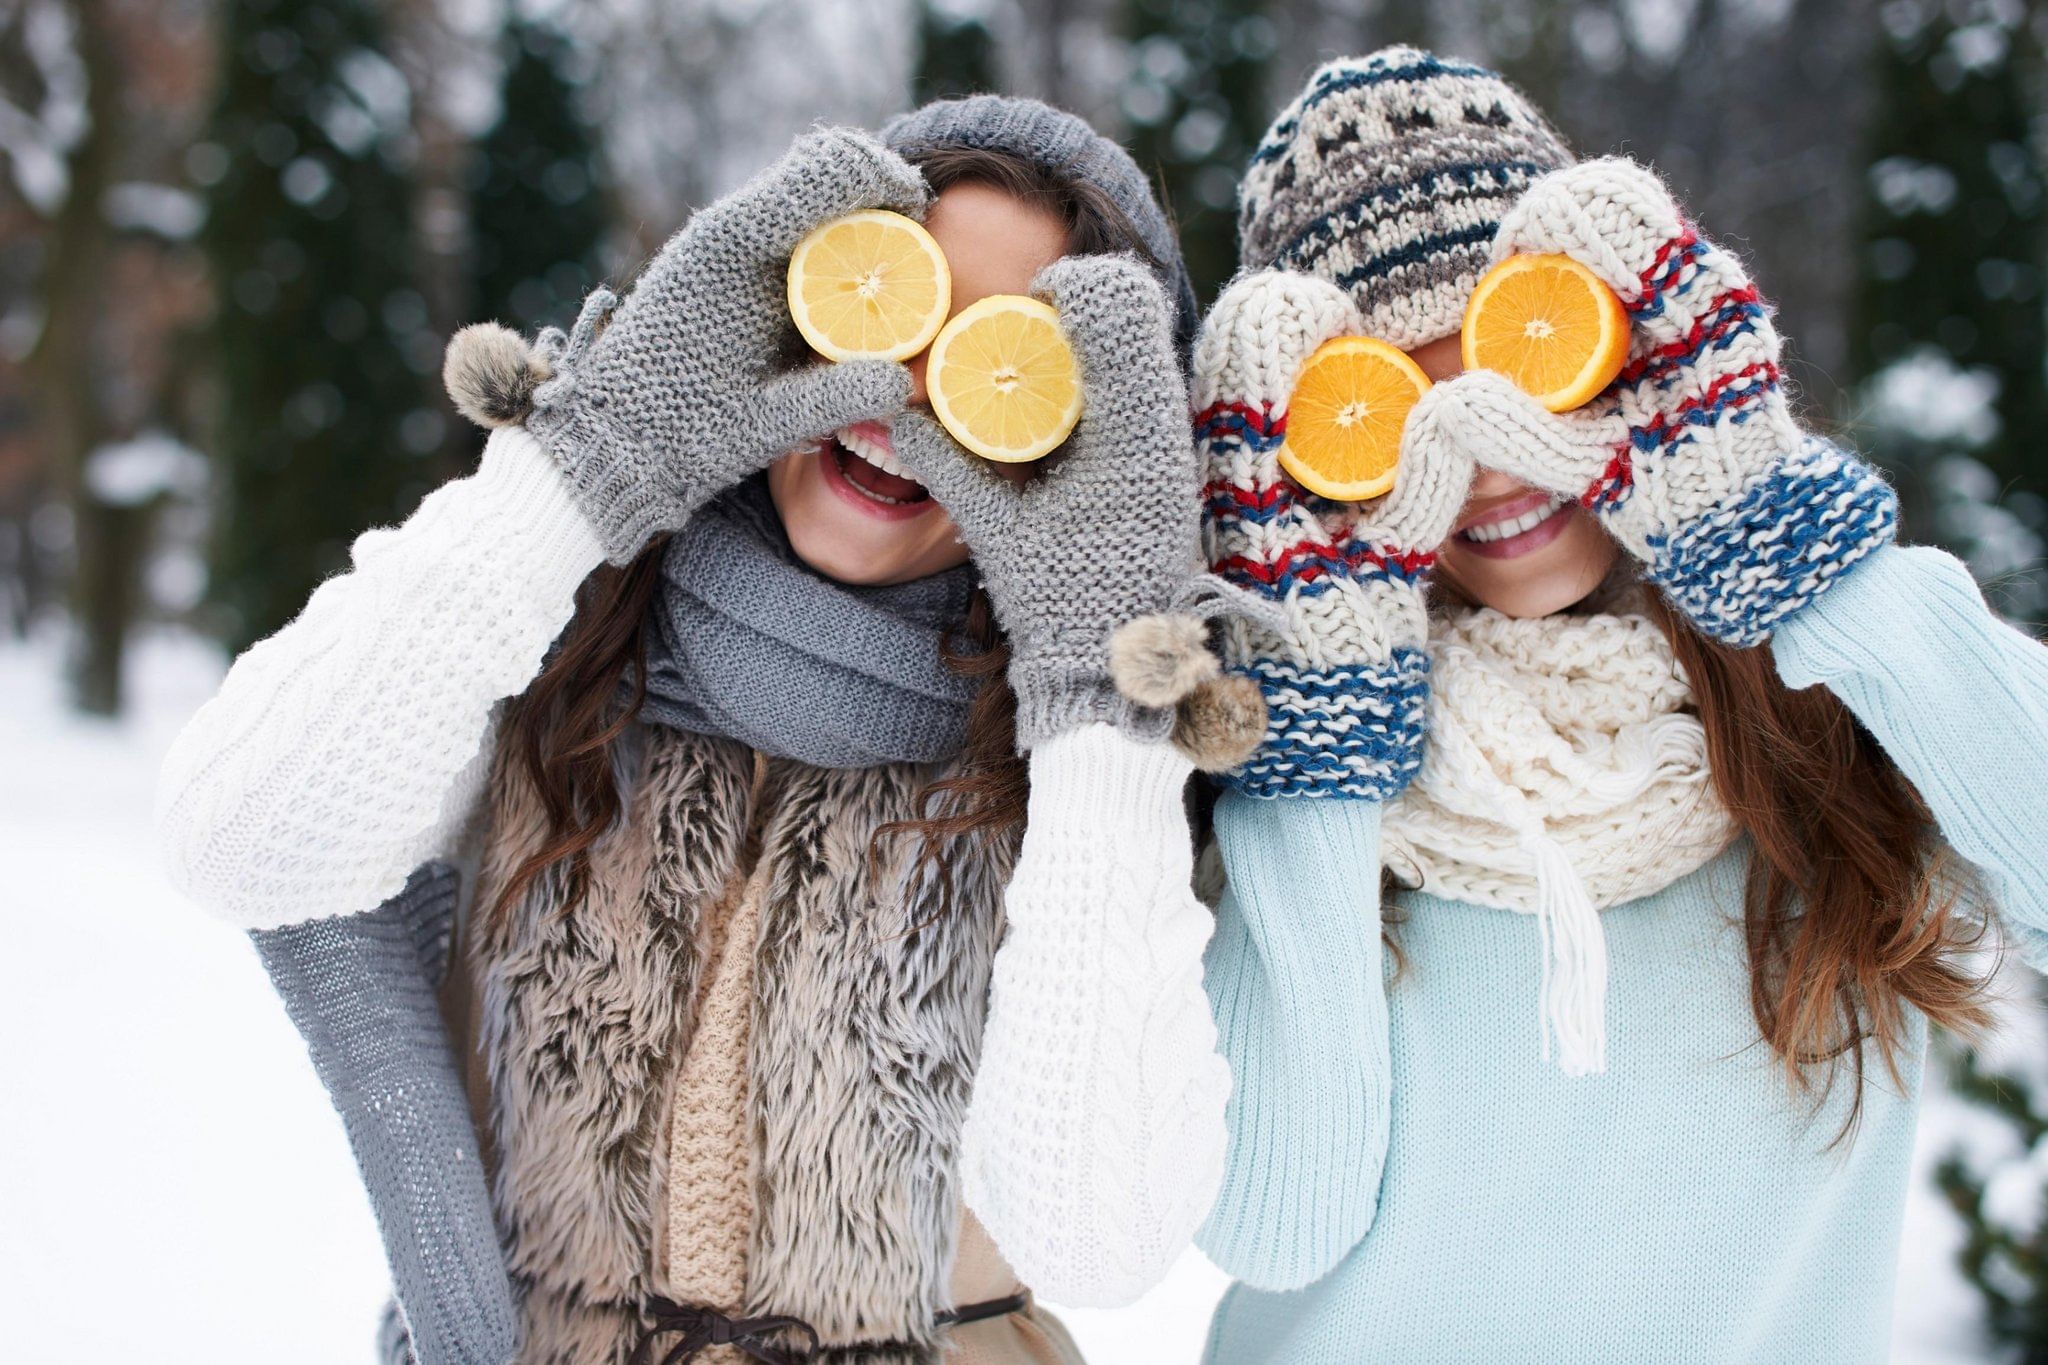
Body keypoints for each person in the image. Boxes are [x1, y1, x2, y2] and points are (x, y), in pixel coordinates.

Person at [156, 97, 1232, 1364]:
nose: (897, 406)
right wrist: (591, 461)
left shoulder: (1096, 779)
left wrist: (1098, 693)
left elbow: (1098, 1245)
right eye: (884, 310)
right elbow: (239, 845)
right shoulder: (543, 626)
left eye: (997, 369)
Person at [1191, 47, 2048, 1362]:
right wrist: (1315, 724)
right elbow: (1271, 1222)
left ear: (1626, 350)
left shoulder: (1839, 713)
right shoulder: (1290, 781)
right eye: (1393, 404)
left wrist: (1774, 538)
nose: (1474, 453)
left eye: (1515, 359)